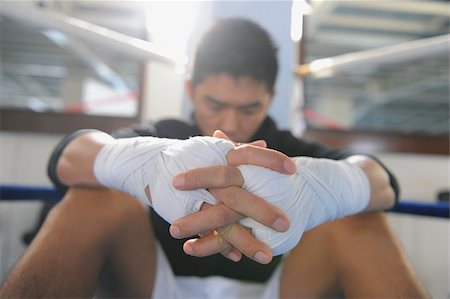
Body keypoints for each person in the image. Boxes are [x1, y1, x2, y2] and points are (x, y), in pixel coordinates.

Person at [0, 18, 428, 299]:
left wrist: (327, 190)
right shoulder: (164, 135)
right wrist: (142, 163)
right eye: (215, 103)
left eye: (249, 108)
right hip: (157, 286)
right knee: (94, 195)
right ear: (190, 90)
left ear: (270, 100)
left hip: (277, 291)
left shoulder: (287, 153)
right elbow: (68, 156)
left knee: (359, 216)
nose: (231, 122)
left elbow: (383, 182)